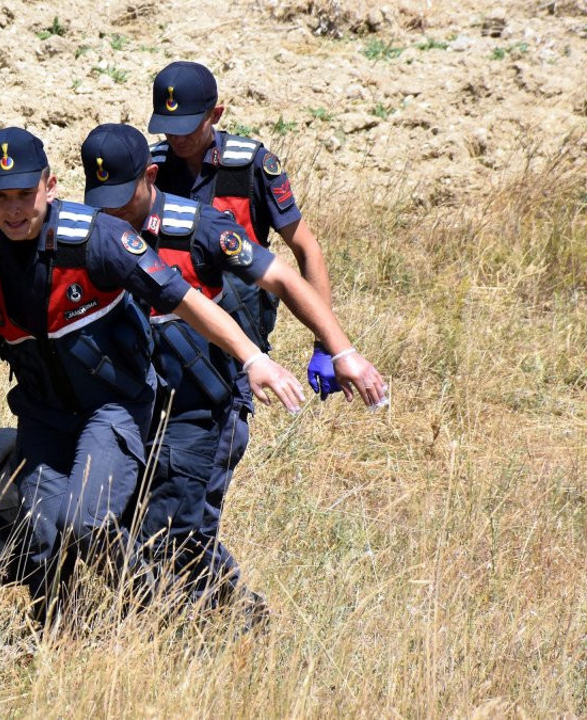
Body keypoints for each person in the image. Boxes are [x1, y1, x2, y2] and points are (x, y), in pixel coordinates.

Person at [0, 127, 307, 627]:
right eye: (0, 197)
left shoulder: (99, 237)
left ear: (50, 187)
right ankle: (62, 640)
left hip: (111, 408)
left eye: (24, 195)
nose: (12, 210)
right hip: (43, 416)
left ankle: (161, 612)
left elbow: (186, 300)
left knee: (85, 521)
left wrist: (253, 358)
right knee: (42, 535)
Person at [80, 123, 387, 615]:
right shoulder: (92, 230)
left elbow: (283, 276)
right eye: (102, 197)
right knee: (144, 522)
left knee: (174, 530)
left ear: (151, 177)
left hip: (205, 403)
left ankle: (227, 620)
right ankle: (213, 613)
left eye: (123, 195)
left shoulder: (199, 226)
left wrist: (339, 349)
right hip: (137, 405)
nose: (112, 209)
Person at [146, 61, 339, 392]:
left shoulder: (251, 167)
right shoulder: (151, 170)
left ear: (216, 114)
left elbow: (306, 249)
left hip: (238, 332)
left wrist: (326, 344)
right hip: (167, 333)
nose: (177, 138)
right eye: (168, 127)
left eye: (188, 127)